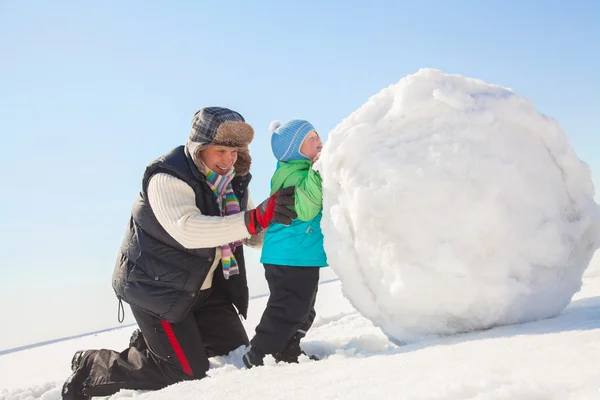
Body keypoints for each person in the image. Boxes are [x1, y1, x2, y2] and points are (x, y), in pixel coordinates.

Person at [61, 107, 297, 400]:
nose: (228, 159)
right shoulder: (167, 177)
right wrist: (254, 218)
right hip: (158, 289)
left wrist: (280, 222)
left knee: (235, 352)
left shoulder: (230, 182)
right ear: (200, 149)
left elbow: (245, 234)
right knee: (186, 370)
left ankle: (154, 344)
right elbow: (187, 230)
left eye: (234, 151)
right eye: (220, 150)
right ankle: (94, 363)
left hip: (205, 288)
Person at [243, 119, 327, 368]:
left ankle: (287, 350)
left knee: (303, 309)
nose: (319, 140)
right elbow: (307, 208)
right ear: (295, 149)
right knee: (288, 309)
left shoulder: (302, 171)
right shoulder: (291, 174)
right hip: (288, 256)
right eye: (312, 138)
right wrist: (319, 171)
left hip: (300, 255)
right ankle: (259, 353)